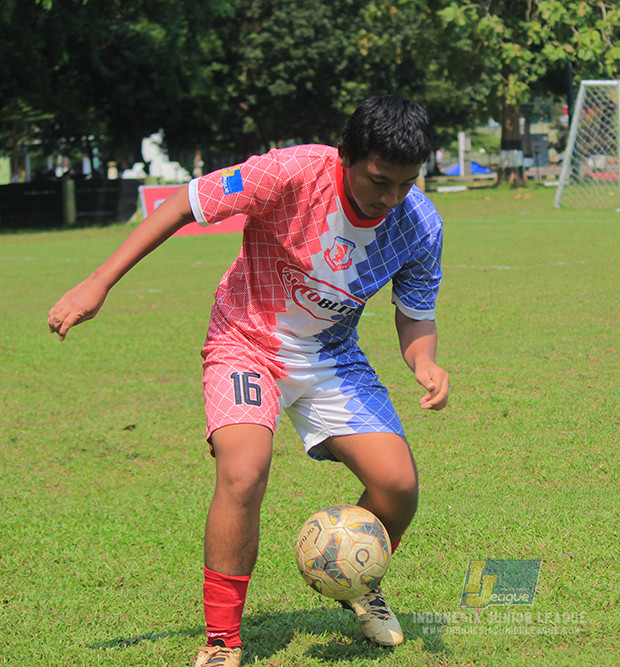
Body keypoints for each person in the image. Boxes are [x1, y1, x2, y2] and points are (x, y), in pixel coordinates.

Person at [48, 95, 449, 666]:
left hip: (332, 356)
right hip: (245, 341)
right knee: (243, 471)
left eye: (406, 184)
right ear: (346, 157)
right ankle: (221, 641)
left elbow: (415, 309)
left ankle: (357, 581)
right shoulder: (289, 172)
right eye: (379, 180)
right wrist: (98, 283)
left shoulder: (418, 224)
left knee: (399, 486)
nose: (390, 198)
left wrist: (424, 360)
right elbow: (182, 204)